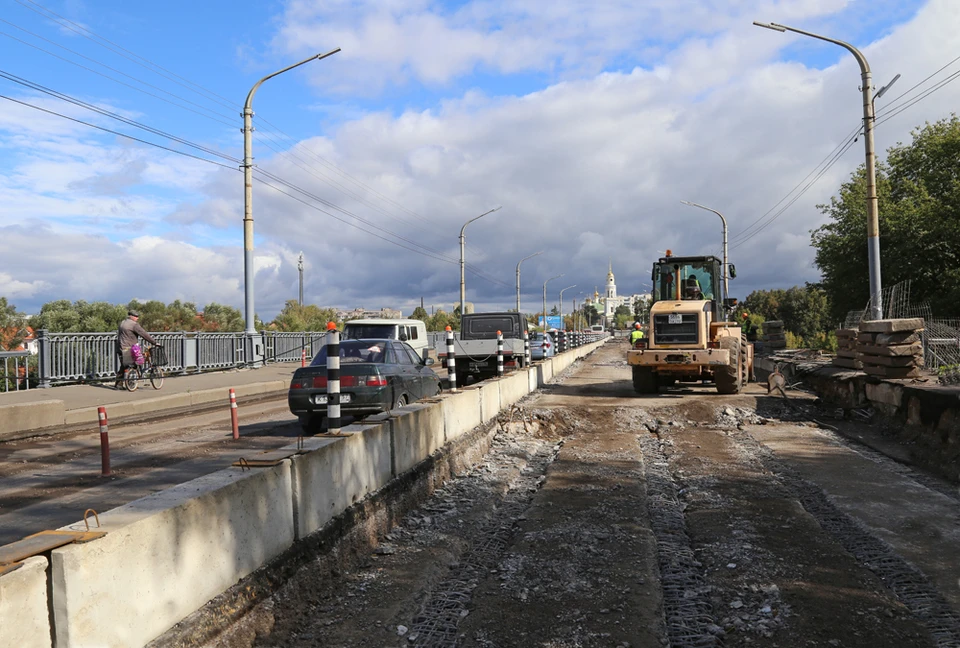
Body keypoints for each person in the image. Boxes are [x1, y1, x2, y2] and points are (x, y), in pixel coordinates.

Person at [115, 310, 157, 388]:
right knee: (134, 364)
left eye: (137, 317)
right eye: (136, 316)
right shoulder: (134, 325)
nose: (137, 318)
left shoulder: (122, 323)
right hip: (129, 348)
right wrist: (154, 342)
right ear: (131, 316)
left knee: (124, 366)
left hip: (120, 347)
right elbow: (144, 334)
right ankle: (131, 383)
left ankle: (118, 383)